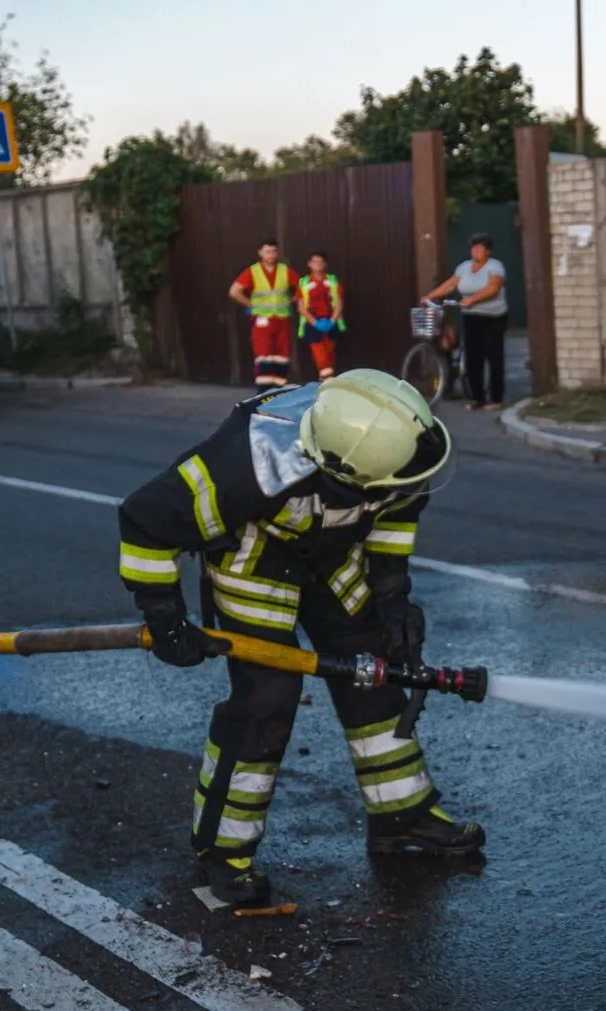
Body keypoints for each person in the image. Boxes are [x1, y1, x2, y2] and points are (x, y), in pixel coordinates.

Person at [116, 370, 485, 905]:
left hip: (333, 554)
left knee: (375, 669)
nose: (411, 484)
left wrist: (392, 595)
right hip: (255, 559)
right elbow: (144, 523)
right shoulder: (241, 464)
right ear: (345, 475)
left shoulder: (392, 441)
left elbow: (395, 511)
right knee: (266, 700)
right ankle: (223, 852)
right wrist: (166, 620)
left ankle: (401, 815)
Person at [424, 234, 506, 409]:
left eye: (480, 248)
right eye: (473, 247)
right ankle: (477, 398)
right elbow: (451, 285)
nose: (475, 251)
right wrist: (430, 296)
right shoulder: (464, 267)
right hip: (471, 318)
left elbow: (494, 288)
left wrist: (472, 299)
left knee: (494, 357)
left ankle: (496, 398)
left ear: (488, 251)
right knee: (473, 358)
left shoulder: (495, 266)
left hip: (493, 318)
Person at [229, 240, 296, 386]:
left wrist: (293, 300)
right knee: (263, 354)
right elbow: (234, 291)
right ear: (260, 253)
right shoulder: (253, 271)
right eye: (267, 251)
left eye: (273, 251)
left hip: (282, 318)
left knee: (282, 355)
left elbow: (301, 288)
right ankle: (264, 391)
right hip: (262, 319)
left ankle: (280, 388)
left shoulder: (285, 270)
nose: (271, 255)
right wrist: (251, 305)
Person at [296, 251, 344, 382]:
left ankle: (322, 386)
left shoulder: (332, 280)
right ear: (309, 264)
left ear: (325, 264)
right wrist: (315, 323)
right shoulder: (303, 282)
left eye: (321, 262)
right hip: (313, 324)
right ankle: (328, 385)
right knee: (321, 358)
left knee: (329, 357)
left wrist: (332, 321)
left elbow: (339, 302)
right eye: (315, 262)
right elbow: (301, 307)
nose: (318, 264)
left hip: (331, 322)